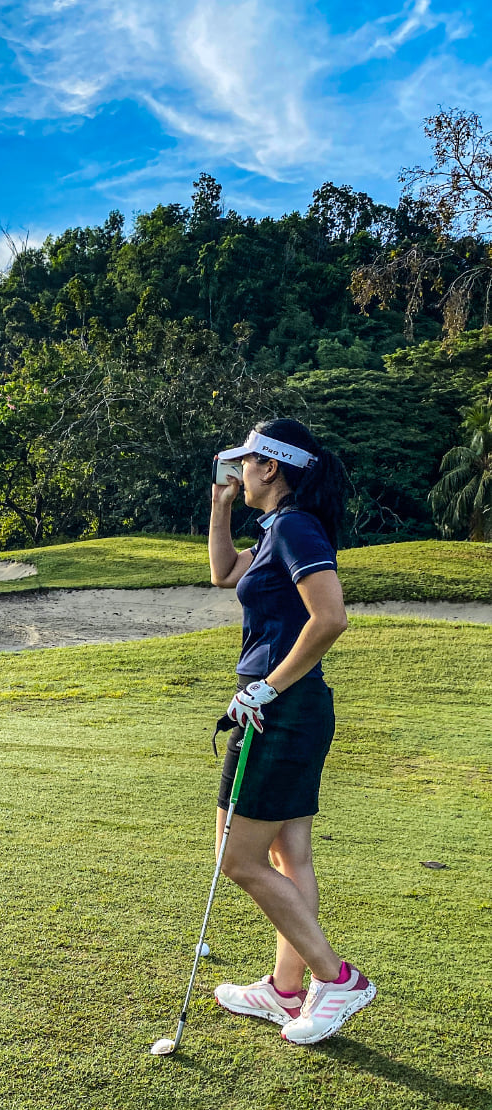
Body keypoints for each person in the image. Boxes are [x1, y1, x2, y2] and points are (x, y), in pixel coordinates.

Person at [207, 418, 375, 1045]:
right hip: (288, 708)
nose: (240, 471)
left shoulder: (297, 526)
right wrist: (220, 509)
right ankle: (284, 991)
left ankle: (339, 980)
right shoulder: (278, 529)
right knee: (288, 854)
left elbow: (330, 618)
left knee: (237, 858)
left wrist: (267, 687)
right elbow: (225, 574)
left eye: (246, 462)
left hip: (280, 709)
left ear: (270, 467)